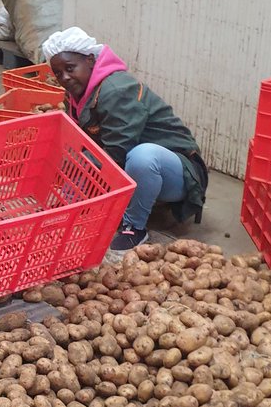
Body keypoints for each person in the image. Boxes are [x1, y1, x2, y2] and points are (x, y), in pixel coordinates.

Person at [41, 26, 208, 252]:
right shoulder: (78, 92)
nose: (65, 78)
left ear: (90, 60)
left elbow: (117, 151)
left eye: (70, 68)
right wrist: (66, 202)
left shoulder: (116, 90)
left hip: (179, 173)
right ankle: (70, 211)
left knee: (142, 156)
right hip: (136, 171)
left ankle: (134, 227)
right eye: (59, 73)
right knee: (78, 153)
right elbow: (81, 146)